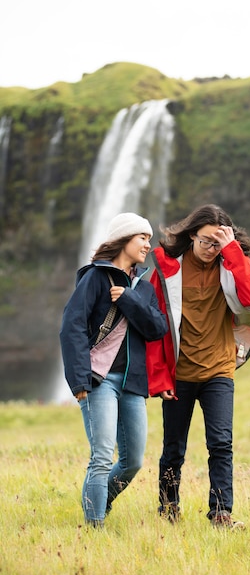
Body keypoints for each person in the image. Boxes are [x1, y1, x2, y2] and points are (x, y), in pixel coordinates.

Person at [146, 204, 250, 529]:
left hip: (219, 369)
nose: (212, 249)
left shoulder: (230, 263)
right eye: (207, 241)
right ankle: (169, 508)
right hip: (179, 372)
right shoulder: (168, 268)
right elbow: (154, 327)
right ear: (192, 234)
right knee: (173, 447)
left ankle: (221, 514)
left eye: (218, 243)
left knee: (221, 443)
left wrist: (232, 250)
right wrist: (159, 377)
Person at [60, 212, 168, 528]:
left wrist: (130, 300)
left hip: (132, 384)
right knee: (101, 457)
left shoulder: (143, 288)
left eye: (149, 238)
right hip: (98, 379)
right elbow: (72, 326)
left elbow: (157, 328)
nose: (148, 244)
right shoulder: (96, 277)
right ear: (123, 239)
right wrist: (79, 380)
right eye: (142, 238)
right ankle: (95, 526)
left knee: (132, 461)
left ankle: (98, 504)